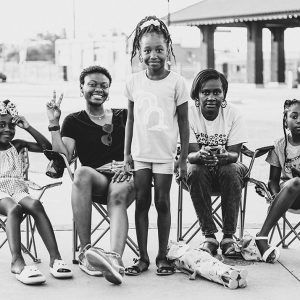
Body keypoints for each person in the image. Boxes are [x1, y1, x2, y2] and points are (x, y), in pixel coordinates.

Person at [46, 65, 135, 285]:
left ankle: (114, 259)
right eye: (92, 84)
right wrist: (54, 123)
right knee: (82, 172)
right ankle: (86, 252)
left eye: (104, 86)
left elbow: (141, 145)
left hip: (124, 177)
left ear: (109, 90)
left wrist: (126, 165)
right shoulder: (74, 121)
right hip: (97, 179)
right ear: (81, 88)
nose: (98, 89)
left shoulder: (124, 116)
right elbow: (63, 155)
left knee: (116, 193)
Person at [124, 16, 189, 276]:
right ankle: (142, 258)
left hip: (164, 155)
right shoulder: (133, 82)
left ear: (168, 51)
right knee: (142, 203)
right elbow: (130, 120)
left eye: (159, 49)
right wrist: (126, 154)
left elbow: (184, 123)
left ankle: (163, 256)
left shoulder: (177, 82)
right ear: (139, 53)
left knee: (162, 203)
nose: (153, 55)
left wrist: (182, 160)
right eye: (147, 50)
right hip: (140, 155)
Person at [0, 99, 72, 285]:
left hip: (16, 188)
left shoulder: (16, 145)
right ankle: (17, 262)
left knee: (35, 204)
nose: (8, 129)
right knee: (14, 209)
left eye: (11, 125)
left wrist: (28, 127)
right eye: (1, 125)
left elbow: (50, 151)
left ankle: (55, 259)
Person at [187, 69, 248, 258]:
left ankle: (228, 237)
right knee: (196, 169)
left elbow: (235, 154)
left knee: (229, 169)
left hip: (228, 172)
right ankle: (210, 237)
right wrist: (200, 154)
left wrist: (224, 154)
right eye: (206, 92)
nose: (212, 97)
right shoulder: (188, 114)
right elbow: (189, 155)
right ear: (197, 95)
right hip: (199, 175)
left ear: (224, 94)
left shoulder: (234, 114)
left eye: (217, 92)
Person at [255, 99, 300, 263]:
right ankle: (262, 237)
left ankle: (261, 237)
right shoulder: (279, 146)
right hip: (287, 195)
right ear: (285, 121)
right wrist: (274, 196)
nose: (299, 120)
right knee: (295, 182)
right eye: (294, 116)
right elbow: (272, 181)